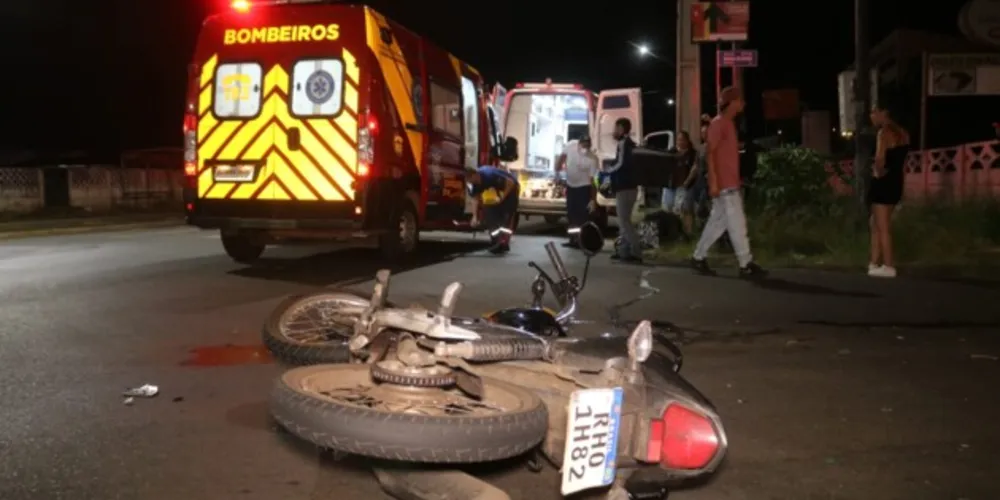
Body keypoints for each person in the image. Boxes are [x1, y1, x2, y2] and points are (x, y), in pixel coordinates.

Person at [690, 87, 767, 278]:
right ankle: (745, 263)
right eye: (740, 100)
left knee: (717, 223)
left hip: (727, 183)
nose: (743, 104)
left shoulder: (727, 124)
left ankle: (698, 257)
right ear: (732, 102)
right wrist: (714, 183)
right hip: (725, 185)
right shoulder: (719, 124)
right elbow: (710, 153)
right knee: (737, 224)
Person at [867, 104, 910, 278]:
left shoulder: (883, 133)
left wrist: (876, 172)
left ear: (884, 113)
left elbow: (880, 159)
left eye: (874, 112)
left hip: (884, 182)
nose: (871, 116)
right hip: (896, 181)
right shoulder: (904, 133)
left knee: (882, 226)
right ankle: (874, 262)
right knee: (875, 222)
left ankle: (889, 265)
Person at [602, 117, 642, 263]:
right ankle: (624, 252)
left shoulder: (624, 143)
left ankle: (636, 252)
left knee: (624, 221)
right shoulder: (627, 143)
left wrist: (608, 171)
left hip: (626, 187)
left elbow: (621, 163)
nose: (614, 131)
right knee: (623, 221)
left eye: (616, 128)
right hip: (628, 187)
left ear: (621, 129)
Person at [554, 134, 599, 248]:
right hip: (571, 186)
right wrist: (557, 170)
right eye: (583, 145)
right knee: (571, 214)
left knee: (582, 216)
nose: (585, 148)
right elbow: (562, 158)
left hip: (584, 188)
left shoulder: (593, 158)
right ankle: (573, 239)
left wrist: (593, 199)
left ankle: (582, 240)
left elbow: (593, 180)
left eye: (587, 146)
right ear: (579, 143)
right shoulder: (571, 145)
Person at [467, 165, 520, 255]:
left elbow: (510, 183)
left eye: (470, 179)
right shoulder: (472, 184)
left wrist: (502, 198)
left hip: (510, 189)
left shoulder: (489, 176)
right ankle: (496, 242)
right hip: (495, 193)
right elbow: (475, 199)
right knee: (491, 215)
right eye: (467, 180)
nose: (469, 182)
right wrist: (474, 216)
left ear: (475, 175)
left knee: (506, 217)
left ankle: (504, 243)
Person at [660, 130, 698, 235]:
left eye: (682, 140)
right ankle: (671, 231)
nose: (680, 142)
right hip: (671, 185)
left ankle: (688, 233)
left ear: (687, 141)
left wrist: (686, 182)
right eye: (678, 140)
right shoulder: (671, 151)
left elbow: (695, 169)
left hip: (686, 185)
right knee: (668, 208)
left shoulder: (692, 153)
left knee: (685, 209)